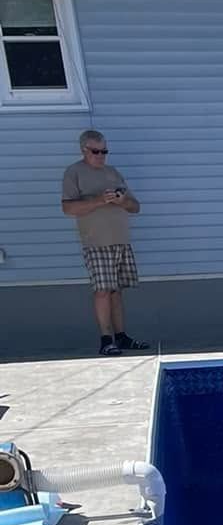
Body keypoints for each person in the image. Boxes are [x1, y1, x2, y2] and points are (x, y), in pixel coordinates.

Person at [61, 130, 149, 356]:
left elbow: (135, 207)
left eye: (104, 151)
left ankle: (121, 337)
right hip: (96, 242)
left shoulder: (113, 173)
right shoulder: (74, 173)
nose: (101, 156)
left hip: (120, 241)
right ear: (84, 150)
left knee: (116, 291)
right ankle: (105, 340)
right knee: (102, 290)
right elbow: (68, 208)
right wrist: (100, 200)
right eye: (96, 151)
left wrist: (121, 201)